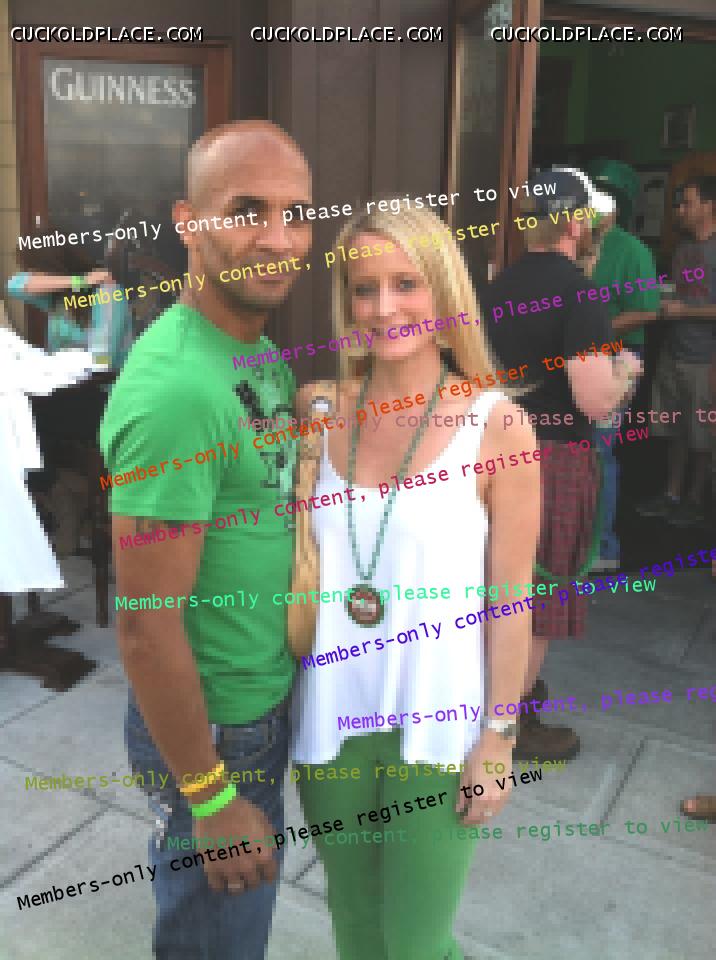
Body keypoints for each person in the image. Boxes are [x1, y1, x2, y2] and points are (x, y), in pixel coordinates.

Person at [291, 203, 542, 960]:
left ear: (445, 290)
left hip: (439, 722)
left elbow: (511, 601)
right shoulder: (319, 411)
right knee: (355, 926)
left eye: (407, 283)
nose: (384, 307)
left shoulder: (497, 426)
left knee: (415, 942)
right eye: (364, 288)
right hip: (332, 716)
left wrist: (498, 739)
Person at [100, 121, 313, 959]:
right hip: (218, 734)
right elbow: (144, 625)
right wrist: (212, 796)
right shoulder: (180, 389)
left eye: (297, 213)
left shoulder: (252, 351)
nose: (278, 237)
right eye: (247, 209)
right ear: (188, 222)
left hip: (254, 705)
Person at [484, 167, 642, 763]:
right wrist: (625, 373)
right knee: (540, 596)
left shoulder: (491, 288)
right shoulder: (581, 295)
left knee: (496, 586)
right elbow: (595, 401)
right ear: (575, 224)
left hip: (488, 454)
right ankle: (513, 723)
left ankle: (489, 699)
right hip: (552, 460)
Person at [6, 245, 132, 554]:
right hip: (65, 391)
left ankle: (60, 500)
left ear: (53, 264)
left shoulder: (107, 294)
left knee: (24, 414)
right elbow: (14, 285)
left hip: (104, 394)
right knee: (12, 409)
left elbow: (103, 359)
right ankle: (55, 494)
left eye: (36, 268)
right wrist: (77, 281)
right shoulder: (60, 293)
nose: (33, 276)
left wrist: (60, 366)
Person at [587, 160, 661, 571]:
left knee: (600, 450)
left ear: (616, 206)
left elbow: (647, 310)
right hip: (579, 356)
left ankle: (604, 547)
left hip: (619, 359)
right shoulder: (578, 242)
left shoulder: (632, 250)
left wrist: (594, 327)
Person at [637, 175, 716, 527]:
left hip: (705, 359)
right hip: (673, 352)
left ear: (709, 205)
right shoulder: (682, 248)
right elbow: (681, 292)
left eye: (687, 203)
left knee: (701, 435)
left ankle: (694, 501)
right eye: (679, 203)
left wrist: (685, 310)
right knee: (673, 430)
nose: (680, 210)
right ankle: (670, 494)